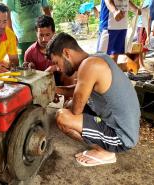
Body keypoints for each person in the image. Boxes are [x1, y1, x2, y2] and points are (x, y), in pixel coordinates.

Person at [46, 32, 140, 166]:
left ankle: (104, 152)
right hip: (125, 124)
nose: (58, 68)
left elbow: (76, 111)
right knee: (68, 104)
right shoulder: (97, 58)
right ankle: (101, 141)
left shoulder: (89, 66)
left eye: (56, 62)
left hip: (122, 137)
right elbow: (78, 90)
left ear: (66, 53)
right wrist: (54, 89)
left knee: (63, 117)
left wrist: (70, 106)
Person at [3, 0, 51, 66]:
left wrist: (51, 29)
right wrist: (11, 34)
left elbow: (46, 8)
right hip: (22, 39)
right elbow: (6, 13)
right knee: (24, 67)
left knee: (44, 66)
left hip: (41, 36)